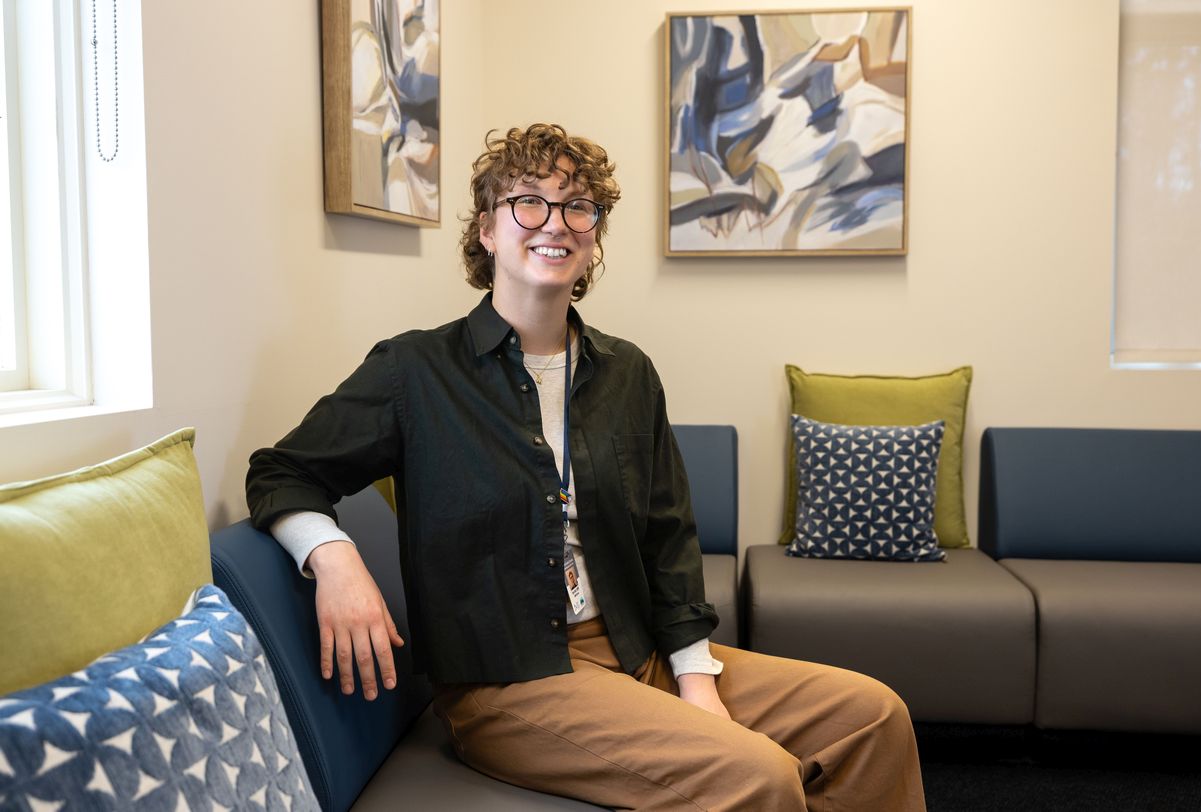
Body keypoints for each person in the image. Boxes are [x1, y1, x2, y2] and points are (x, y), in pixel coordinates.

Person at [246, 123, 926, 811]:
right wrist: (334, 559)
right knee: (759, 775)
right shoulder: (414, 371)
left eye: (578, 206)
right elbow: (282, 471)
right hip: (509, 682)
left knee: (872, 716)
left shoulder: (626, 371)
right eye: (529, 202)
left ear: (593, 234)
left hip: (637, 652)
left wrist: (695, 680)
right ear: (486, 230)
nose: (556, 223)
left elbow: (668, 535)